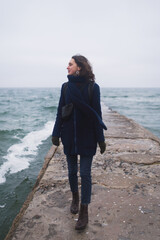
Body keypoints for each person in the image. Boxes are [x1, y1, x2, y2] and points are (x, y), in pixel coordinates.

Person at [52, 54, 106, 230]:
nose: (67, 67)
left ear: (79, 67)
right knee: (72, 172)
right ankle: (75, 197)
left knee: (85, 174)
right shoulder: (65, 87)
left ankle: (84, 211)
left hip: (87, 138)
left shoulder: (93, 88)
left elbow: (97, 114)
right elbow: (60, 111)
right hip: (69, 136)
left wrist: (101, 139)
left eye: (70, 64)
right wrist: (56, 133)